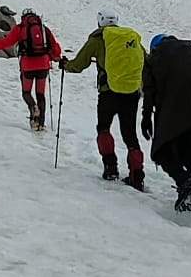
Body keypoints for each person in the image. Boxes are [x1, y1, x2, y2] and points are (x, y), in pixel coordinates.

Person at [61, 12, 147, 189]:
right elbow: (145, 61)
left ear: (100, 22)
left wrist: (66, 65)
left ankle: (110, 168)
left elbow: (79, 64)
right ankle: (137, 175)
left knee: (104, 128)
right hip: (131, 92)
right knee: (130, 134)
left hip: (108, 92)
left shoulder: (98, 40)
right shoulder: (131, 39)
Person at [142, 33, 191, 212]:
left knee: (162, 152)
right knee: (188, 154)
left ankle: (186, 185)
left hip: (175, 110)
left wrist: (146, 117)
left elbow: (149, 90)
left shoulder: (156, 57)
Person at [0, 9, 62, 131]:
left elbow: (5, 43)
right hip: (43, 65)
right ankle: (41, 123)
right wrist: (56, 57)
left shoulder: (20, 28)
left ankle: (33, 109)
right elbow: (55, 47)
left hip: (28, 66)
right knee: (40, 94)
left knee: (26, 92)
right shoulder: (44, 29)